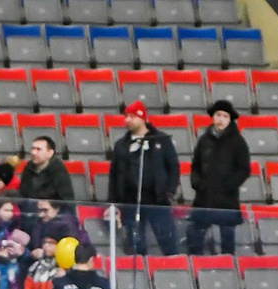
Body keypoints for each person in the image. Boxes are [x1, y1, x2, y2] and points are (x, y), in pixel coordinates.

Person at [105, 102, 179, 255]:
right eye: (126, 117)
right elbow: (114, 175)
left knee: (168, 243)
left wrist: (170, 190)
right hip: (130, 201)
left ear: (142, 118)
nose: (127, 120)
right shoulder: (121, 145)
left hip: (157, 200)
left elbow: (174, 167)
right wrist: (114, 202)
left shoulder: (162, 140)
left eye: (132, 117)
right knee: (135, 246)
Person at [186, 99, 250, 254]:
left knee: (227, 238)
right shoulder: (204, 140)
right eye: (218, 115)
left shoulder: (238, 142)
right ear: (213, 117)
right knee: (196, 236)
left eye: (225, 116)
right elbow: (195, 165)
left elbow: (244, 169)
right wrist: (197, 183)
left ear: (230, 119)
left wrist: (228, 185)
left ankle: (227, 269)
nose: (221, 119)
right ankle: (197, 267)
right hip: (204, 197)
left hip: (226, 199)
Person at [17, 133, 74, 203]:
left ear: (50, 153)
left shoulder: (59, 171)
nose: (33, 152)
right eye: (33, 149)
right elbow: (23, 195)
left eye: (38, 149)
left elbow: (66, 200)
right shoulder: (28, 168)